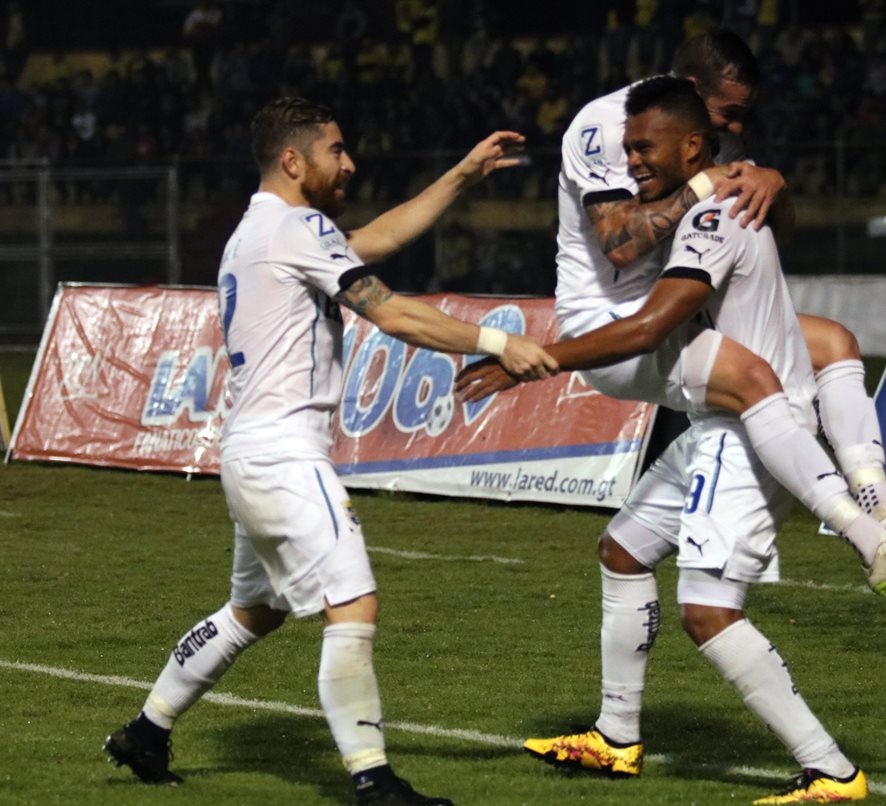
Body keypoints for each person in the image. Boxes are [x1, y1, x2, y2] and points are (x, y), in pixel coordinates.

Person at [103, 97, 557, 806]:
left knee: (254, 610)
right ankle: (374, 783)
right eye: (336, 150)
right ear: (293, 160)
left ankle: (146, 730)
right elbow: (390, 310)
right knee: (354, 602)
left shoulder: (258, 230)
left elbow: (375, 238)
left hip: (251, 448)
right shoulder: (298, 225)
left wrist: (461, 176)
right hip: (285, 452)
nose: (349, 162)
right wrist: (499, 341)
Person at [460, 29, 886, 594]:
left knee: (834, 343)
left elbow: (769, 240)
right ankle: (867, 540)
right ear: (689, 91)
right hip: (610, 326)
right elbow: (622, 243)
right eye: (728, 113)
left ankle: (885, 509)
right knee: (753, 381)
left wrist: (774, 187)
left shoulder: (707, 137)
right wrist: (706, 182)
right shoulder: (605, 128)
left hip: (686, 310)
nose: (736, 128)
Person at [507, 76, 872, 802]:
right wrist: (763, 180)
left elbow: (646, 324)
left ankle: (831, 770)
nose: (631, 160)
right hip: (722, 417)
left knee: (707, 610)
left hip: (746, 428)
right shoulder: (723, 194)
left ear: (694, 142)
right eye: (630, 147)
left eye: (644, 149)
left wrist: (527, 363)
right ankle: (616, 735)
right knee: (624, 547)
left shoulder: (712, 213)